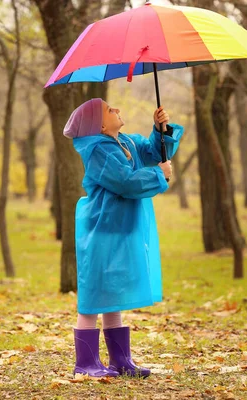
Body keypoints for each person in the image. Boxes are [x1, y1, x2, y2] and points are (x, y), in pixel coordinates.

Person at [63, 98, 184, 378]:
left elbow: (153, 152)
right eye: (109, 110)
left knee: (112, 293)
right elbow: (124, 182)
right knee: (95, 294)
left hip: (121, 226)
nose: (116, 109)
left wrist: (160, 130)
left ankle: (120, 360)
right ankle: (86, 362)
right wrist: (159, 175)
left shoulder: (125, 142)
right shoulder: (97, 150)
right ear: (100, 124)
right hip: (102, 228)